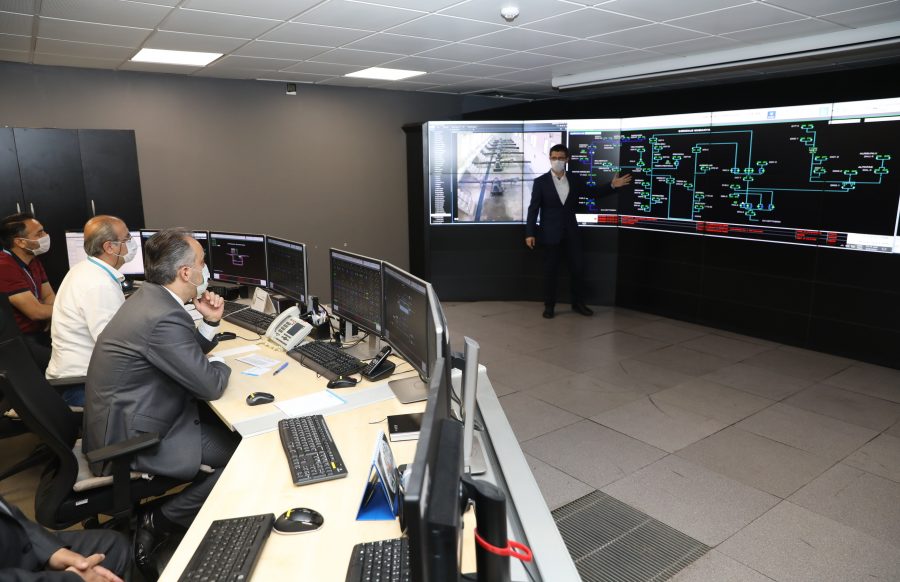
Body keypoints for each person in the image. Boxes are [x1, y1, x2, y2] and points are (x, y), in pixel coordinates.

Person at [82, 228, 238, 570]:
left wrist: (210, 323)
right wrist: (223, 365)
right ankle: (161, 519)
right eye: (202, 262)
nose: (206, 269)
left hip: (127, 417)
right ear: (186, 272)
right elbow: (211, 385)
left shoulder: (150, 299)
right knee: (245, 455)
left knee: (228, 433)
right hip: (130, 439)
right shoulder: (164, 315)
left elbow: (179, 354)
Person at [525, 144, 632, 319]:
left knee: (577, 270)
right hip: (550, 234)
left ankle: (578, 304)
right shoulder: (540, 182)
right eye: (554, 158)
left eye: (560, 158)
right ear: (550, 159)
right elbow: (533, 209)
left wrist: (612, 185)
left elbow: (592, 193)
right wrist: (530, 233)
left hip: (571, 233)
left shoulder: (574, 180)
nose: (557, 161)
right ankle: (549, 306)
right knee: (550, 272)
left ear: (567, 160)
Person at [46, 216, 136, 406]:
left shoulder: (86, 270)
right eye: (127, 238)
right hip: (81, 386)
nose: (131, 243)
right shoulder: (99, 284)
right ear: (109, 247)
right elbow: (116, 348)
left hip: (78, 377)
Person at [0, 493, 130, 581]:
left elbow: (6, 511)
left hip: (12, 541)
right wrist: (72, 578)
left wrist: (52, 550)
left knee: (115, 546)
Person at [0, 213, 56, 369]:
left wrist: (49, 314)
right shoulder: (4, 266)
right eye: (39, 233)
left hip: (41, 330)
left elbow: (49, 295)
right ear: (20, 242)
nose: (46, 236)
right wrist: (68, 310)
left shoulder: (33, 260)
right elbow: (36, 312)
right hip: (18, 339)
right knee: (64, 363)